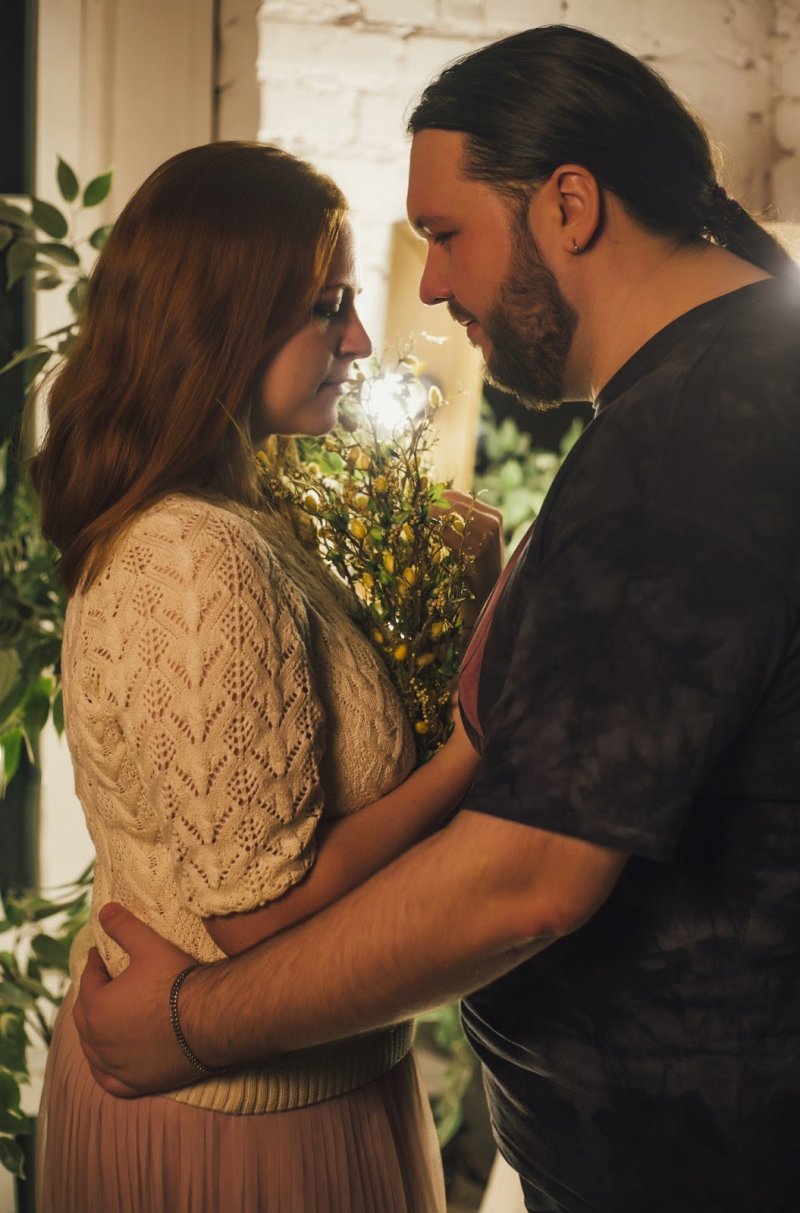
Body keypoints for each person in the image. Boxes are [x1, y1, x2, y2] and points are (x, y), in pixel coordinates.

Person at [74, 26, 800, 1213]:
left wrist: (192, 1023)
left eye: (447, 234)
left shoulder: (681, 445)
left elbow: (527, 878)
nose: (428, 287)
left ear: (567, 206)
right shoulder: (707, 398)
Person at [31, 140, 496, 1213]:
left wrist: (462, 595)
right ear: (225, 320)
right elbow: (259, 915)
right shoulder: (195, 558)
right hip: (238, 1128)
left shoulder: (234, 517)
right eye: (329, 307)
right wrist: (469, 755)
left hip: (279, 1092)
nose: (359, 339)